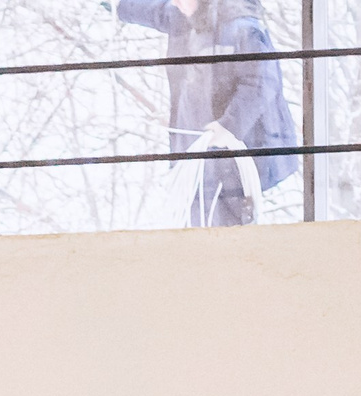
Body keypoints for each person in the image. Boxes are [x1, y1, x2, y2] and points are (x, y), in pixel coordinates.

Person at [116, 0, 299, 227]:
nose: (175, 2)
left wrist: (229, 126)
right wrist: (118, 5)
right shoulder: (183, 16)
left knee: (228, 233)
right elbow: (154, 11)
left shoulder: (241, 26)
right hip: (200, 160)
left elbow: (261, 82)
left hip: (233, 163)